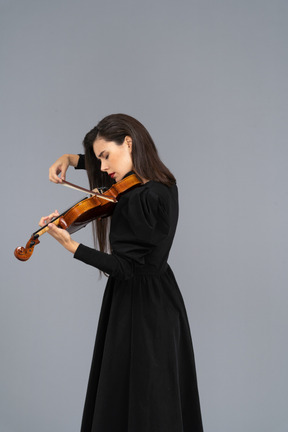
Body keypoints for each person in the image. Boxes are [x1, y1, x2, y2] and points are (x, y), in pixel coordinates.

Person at [41, 113, 204, 432]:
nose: (102, 167)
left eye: (105, 156)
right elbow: (109, 171)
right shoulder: (162, 184)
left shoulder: (136, 199)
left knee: (137, 396)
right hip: (162, 296)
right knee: (153, 392)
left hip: (137, 306)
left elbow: (126, 269)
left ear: (128, 142)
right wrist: (69, 159)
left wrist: (70, 245)